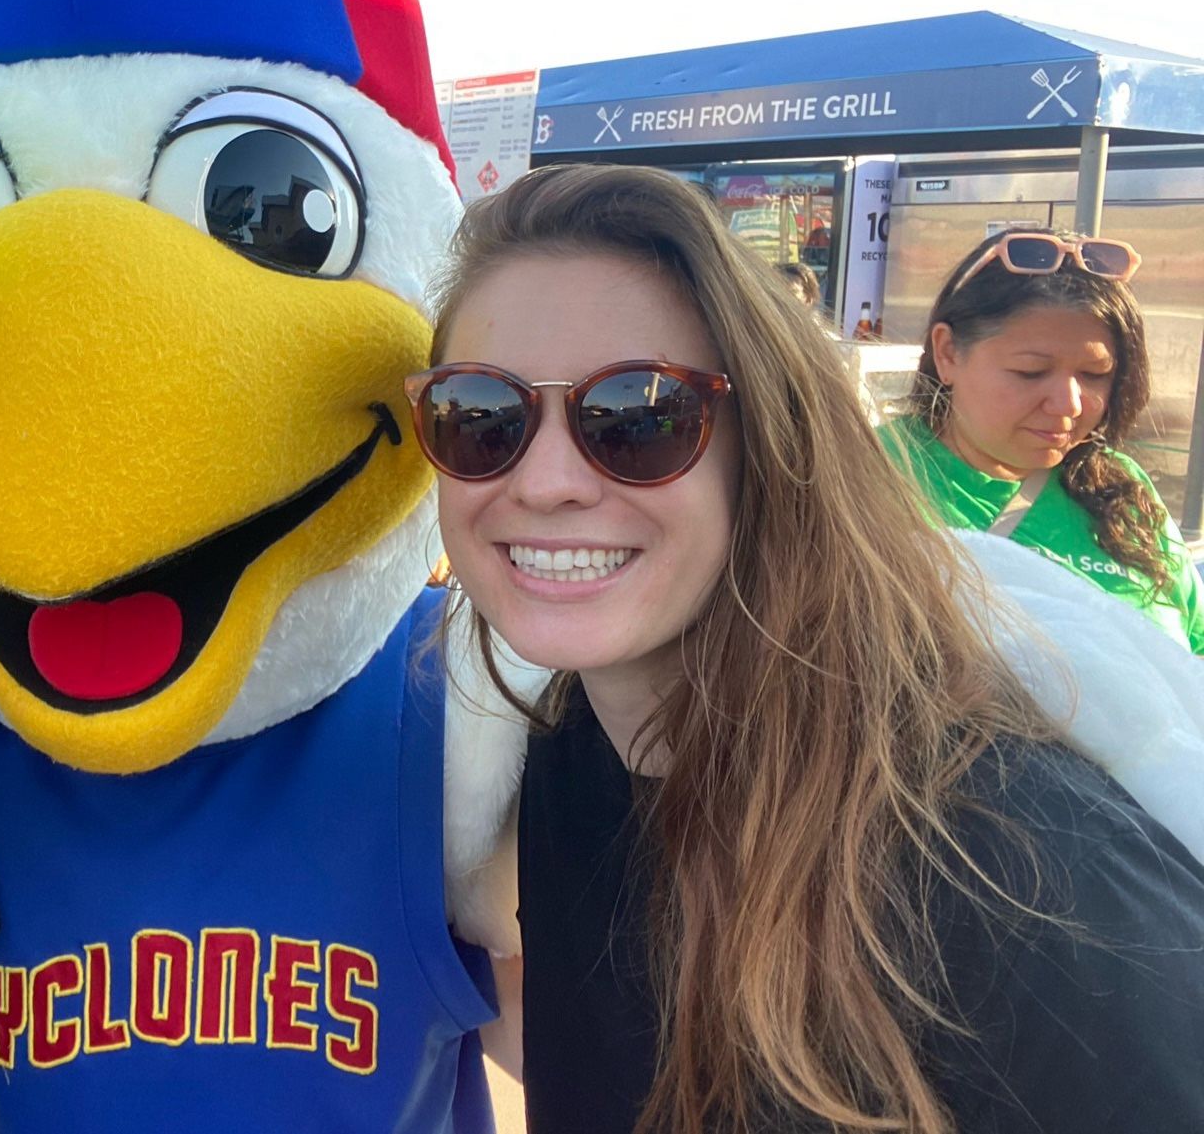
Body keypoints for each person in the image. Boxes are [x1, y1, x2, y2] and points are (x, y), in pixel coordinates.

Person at [408, 163, 1204, 1133]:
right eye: (478, 416)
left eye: (637, 416)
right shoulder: (562, 749)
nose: (544, 483)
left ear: (769, 443)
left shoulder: (1010, 860)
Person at [882, 225, 1204, 654]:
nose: (1069, 404)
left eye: (1095, 375)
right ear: (947, 353)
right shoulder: (866, 477)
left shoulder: (1121, 487)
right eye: (1030, 372)